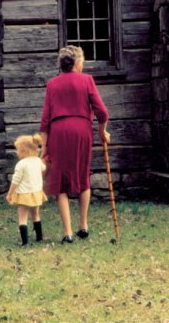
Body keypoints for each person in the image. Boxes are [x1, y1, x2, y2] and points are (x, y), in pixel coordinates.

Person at [40, 45, 110, 243]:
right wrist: (101, 130)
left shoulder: (52, 84)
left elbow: (45, 119)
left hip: (59, 132)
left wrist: (44, 147)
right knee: (82, 174)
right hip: (82, 131)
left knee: (60, 181)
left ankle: (67, 232)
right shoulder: (87, 80)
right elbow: (102, 112)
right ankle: (83, 225)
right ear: (78, 63)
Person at [6, 133, 47, 246]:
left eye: (18, 149)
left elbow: (15, 180)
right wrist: (41, 159)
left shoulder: (21, 164)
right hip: (36, 192)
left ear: (24, 150)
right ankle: (39, 237)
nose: (17, 152)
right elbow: (44, 168)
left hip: (24, 194)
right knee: (36, 215)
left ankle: (25, 242)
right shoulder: (37, 161)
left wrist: (10, 193)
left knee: (22, 217)